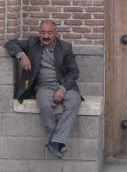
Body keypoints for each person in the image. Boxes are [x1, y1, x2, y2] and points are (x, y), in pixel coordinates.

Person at [5, 19, 82, 159]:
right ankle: (57, 141)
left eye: (49, 33)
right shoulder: (32, 43)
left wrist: (63, 89)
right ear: (39, 33)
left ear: (55, 34)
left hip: (64, 85)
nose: (46, 36)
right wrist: (22, 56)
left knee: (74, 101)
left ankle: (54, 142)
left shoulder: (65, 47)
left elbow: (74, 72)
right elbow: (10, 43)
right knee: (45, 105)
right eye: (43, 32)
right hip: (43, 86)